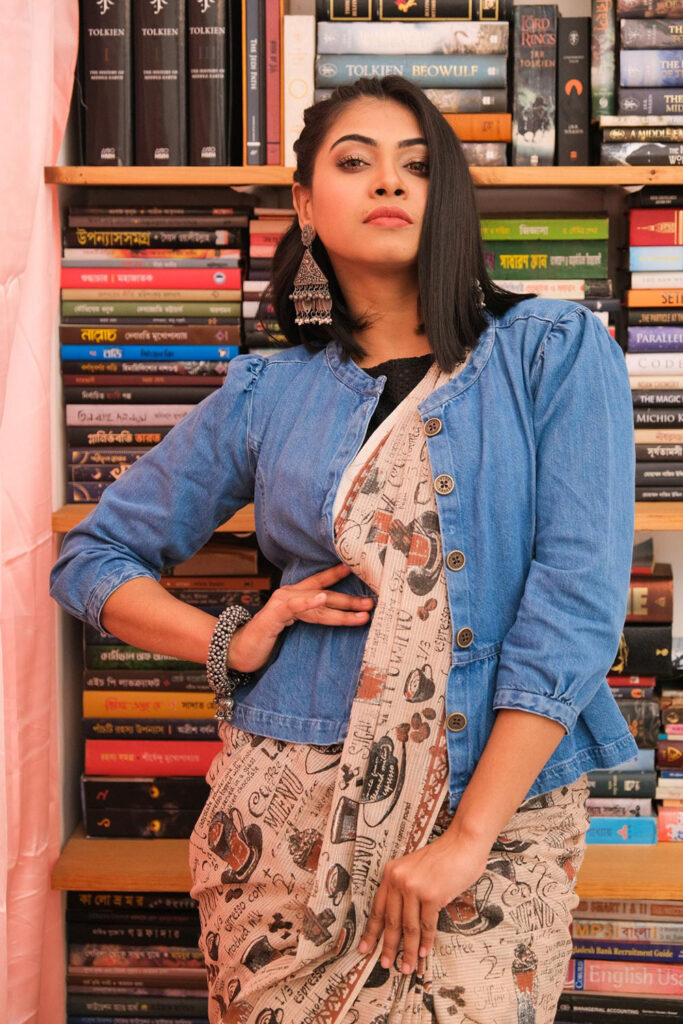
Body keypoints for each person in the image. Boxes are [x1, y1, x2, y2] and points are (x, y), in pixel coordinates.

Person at [50, 75, 639, 1024]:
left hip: (491, 821)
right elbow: (93, 557)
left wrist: (465, 840)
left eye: (417, 165)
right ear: (303, 203)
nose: (388, 182)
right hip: (281, 819)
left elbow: (575, 603)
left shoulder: (549, 350)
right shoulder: (267, 392)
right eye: (355, 161)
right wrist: (232, 639)